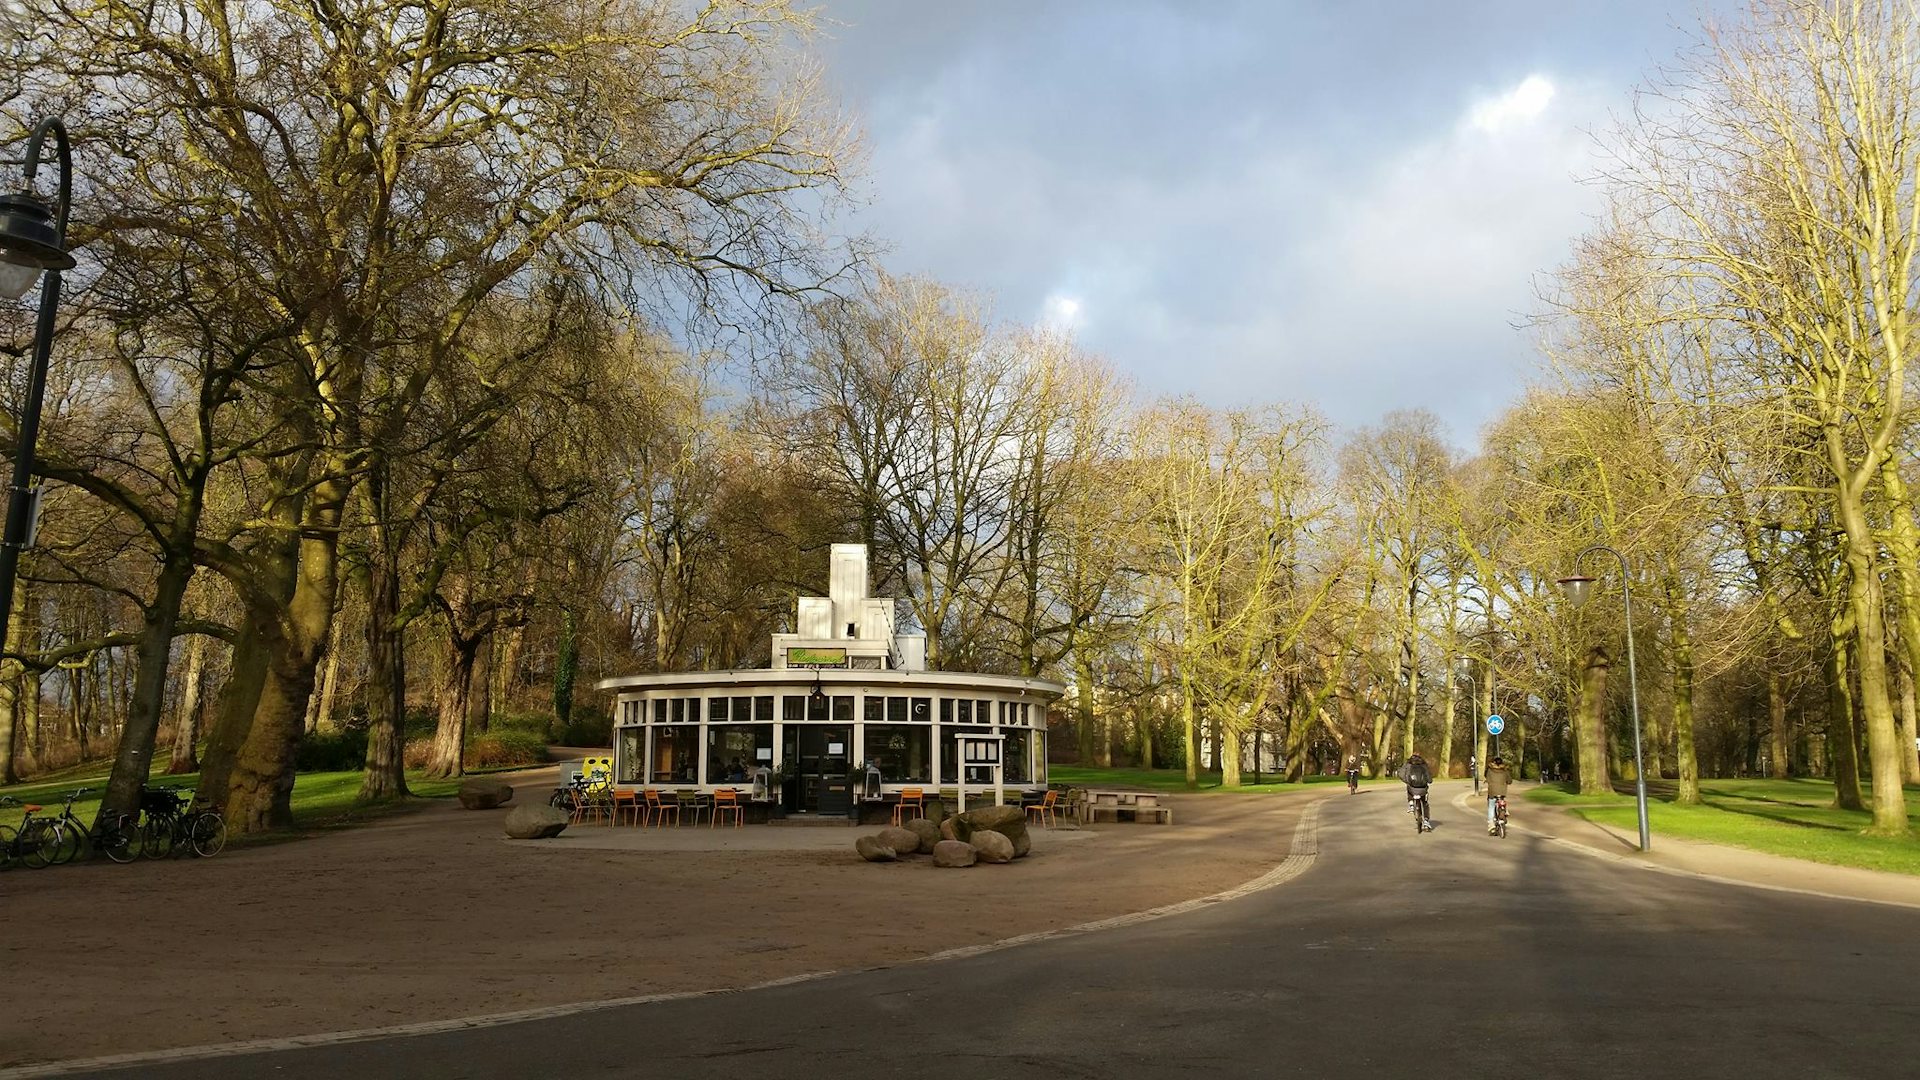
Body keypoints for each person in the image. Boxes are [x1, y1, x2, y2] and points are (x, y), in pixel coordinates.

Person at [1401, 752, 1433, 828]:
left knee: (1408, 788)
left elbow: (1401, 773)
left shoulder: (1408, 765)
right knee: (1425, 803)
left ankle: (1411, 804)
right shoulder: (1424, 765)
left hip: (1412, 789)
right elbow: (1429, 778)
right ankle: (1426, 821)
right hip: (1423, 789)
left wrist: (1406, 781)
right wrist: (1429, 781)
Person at [1483, 754, 1513, 834]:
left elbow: (1487, 778)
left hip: (1492, 792)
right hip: (1502, 791)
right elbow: (1509, 781)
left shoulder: (1490, 770)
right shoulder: (1505, 770)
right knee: (1502, 799)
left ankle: (1491, 825)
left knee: (1491, 806)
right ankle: (1505, 811)